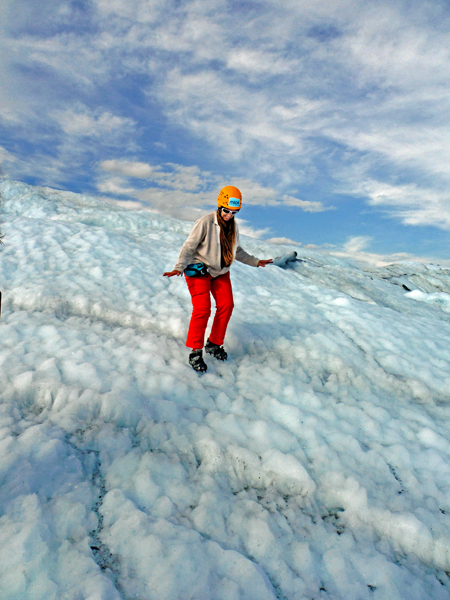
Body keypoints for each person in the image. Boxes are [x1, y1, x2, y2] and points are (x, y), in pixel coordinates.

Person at [163, 185, 272, 372]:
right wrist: (178, 267)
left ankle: (214, 343)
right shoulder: (205, 222)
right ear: (220, 206)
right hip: (199, 270)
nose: (229, 215)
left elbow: (236, 250)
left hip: (220, 272)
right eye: (226, 210)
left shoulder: (233, 227)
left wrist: (256, 261)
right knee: (202, 309)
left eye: (234, 212)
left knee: (227, 305)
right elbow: (189, 247)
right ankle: (195, 352)